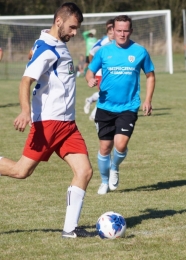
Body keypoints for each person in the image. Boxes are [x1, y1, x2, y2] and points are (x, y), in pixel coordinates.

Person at [0, 2, 93, 238]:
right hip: (48, 123)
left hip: (68, 125)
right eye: (72, 27)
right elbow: (25, 80)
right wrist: (24, 111)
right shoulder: (48, 47)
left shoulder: (55, 43)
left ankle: (70, 230)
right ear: (58, 21)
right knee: (22, 172)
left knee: (84, 171)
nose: (74, 33)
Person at [86, 15, 155, 195]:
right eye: (119, 30)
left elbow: (150, 76)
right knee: (104, 148)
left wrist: (148, 100)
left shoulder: (140, 51)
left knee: (121, 144)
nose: (122, 34)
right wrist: (90, 79)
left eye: (125, 30)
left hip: (128, 106)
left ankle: (115, 166)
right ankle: (103, 181)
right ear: (113, 31)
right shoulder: (103, 51)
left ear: (130, 31)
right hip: (105, 106)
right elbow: (90, 71)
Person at [84, 20, 114, 121]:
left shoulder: (117, 43)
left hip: (110, 72)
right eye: (110, 32)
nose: (112, 34)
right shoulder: (103, 42)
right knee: (106, 94)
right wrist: (94, 68)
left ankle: (90, 100)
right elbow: (91, 53)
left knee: (107, 93)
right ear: (107, 32)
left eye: (114, 31)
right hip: (100, 73)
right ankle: (94, 114)